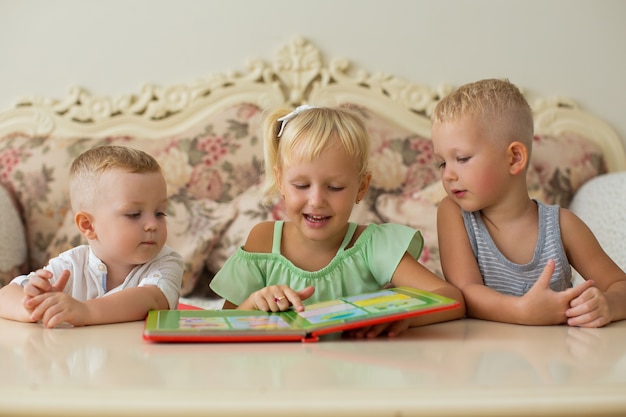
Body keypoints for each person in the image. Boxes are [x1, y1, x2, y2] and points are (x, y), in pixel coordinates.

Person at [209, 105, 465, 337]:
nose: (317, 200)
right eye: (301, 185)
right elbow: (224, 325)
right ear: (280, 182)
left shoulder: (372, 245)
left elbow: (450, 299)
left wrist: (405, 319)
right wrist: (254, 303)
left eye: (335, 187)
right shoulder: (263, 240)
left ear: (361, 187)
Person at [431, 78, 626, 328]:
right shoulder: (454, 213)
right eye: (442, 163)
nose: (448, 174)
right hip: (482, 362)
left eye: (462, 158)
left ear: (514, 158)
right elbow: (465, 291)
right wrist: (521, 311)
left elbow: (620, 286)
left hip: (555, 359)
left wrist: (606, 305)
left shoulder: (563, 227)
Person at [0, 145, 184, 328]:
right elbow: (5, 296)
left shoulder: (166, 263)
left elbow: (151, 299)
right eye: (134, 214)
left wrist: (85, 311)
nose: (153, 224)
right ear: (88, 225)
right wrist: (34, 306)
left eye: (160, 213)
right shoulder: (71, 265)